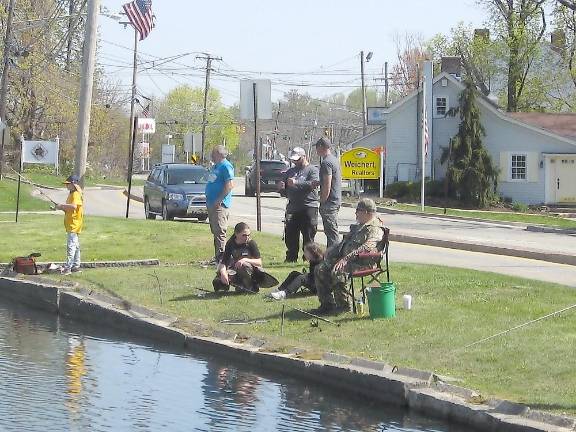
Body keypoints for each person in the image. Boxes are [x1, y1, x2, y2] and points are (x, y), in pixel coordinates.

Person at [312, 198, 384, 316]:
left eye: (358, 211)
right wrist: (328, 253)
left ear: (366, 212)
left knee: (338, 271)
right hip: (349, 260)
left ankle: (344, 306)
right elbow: (343, 243)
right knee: (320, 269)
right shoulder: (358, 227)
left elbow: (367, 246)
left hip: (364, 263)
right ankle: (327, 305)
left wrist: (345, 259)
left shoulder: (375, 228)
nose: (355, 214)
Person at [278, 147, 319, 262]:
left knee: (308, 235)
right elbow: (285, 188)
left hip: (308, 206)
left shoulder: (312, 170)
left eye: (297, 159)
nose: (295, 162)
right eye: (293, 160)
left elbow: (313, 184)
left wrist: (296, 182)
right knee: (290, 234)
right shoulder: (290, 171)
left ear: (304, 157)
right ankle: (291, 257)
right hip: (293, 207)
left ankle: (308, 258)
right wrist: (282, 188)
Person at [212, 222, 263, 293]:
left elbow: (259, 262)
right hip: (236, 270)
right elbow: (224, 261)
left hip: (252, 272)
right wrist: (223, 273)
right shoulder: (230, 243)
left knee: (243, 265)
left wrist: (244, 260)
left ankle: (250, 287)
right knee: (218, 278)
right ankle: (226, 288)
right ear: (236, 234)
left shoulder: (251, 243)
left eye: (248, 235)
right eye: (244, 235)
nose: (247, 237)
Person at [205, 145, 234, 264]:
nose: (211, 154)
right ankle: (217, 256)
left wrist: (219, 199)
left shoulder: (226, 166)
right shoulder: (215, 166)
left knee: (220, 231)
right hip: (211, 203)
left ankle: (223, 259)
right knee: (215, 231)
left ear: (219, 154)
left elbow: (230, 185)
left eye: (213, 152)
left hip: (220, 205)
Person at [314, 136, 342, 248]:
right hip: (336, 200)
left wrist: (322, 199)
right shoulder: (334, 160)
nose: (316, 150)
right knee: (331, 230)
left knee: (331, 232)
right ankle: (331, 255)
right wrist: (319, 182)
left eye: (317, 147)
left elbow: (328, 183)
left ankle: (334, 257)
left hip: (330, 202)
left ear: (321, 147)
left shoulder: (326, 163)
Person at [54, 175, 84, 275]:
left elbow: (73, 206)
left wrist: (61, 205)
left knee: (71, 246)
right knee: (76, 246)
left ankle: (68, 267)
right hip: (71, 223)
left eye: (68, 184)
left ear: (73, 184)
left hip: (74, 224)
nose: (66, 186)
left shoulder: (75, 194)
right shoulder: (71, 194)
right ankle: (76, 266)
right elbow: (69, 209)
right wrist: (59, 208)